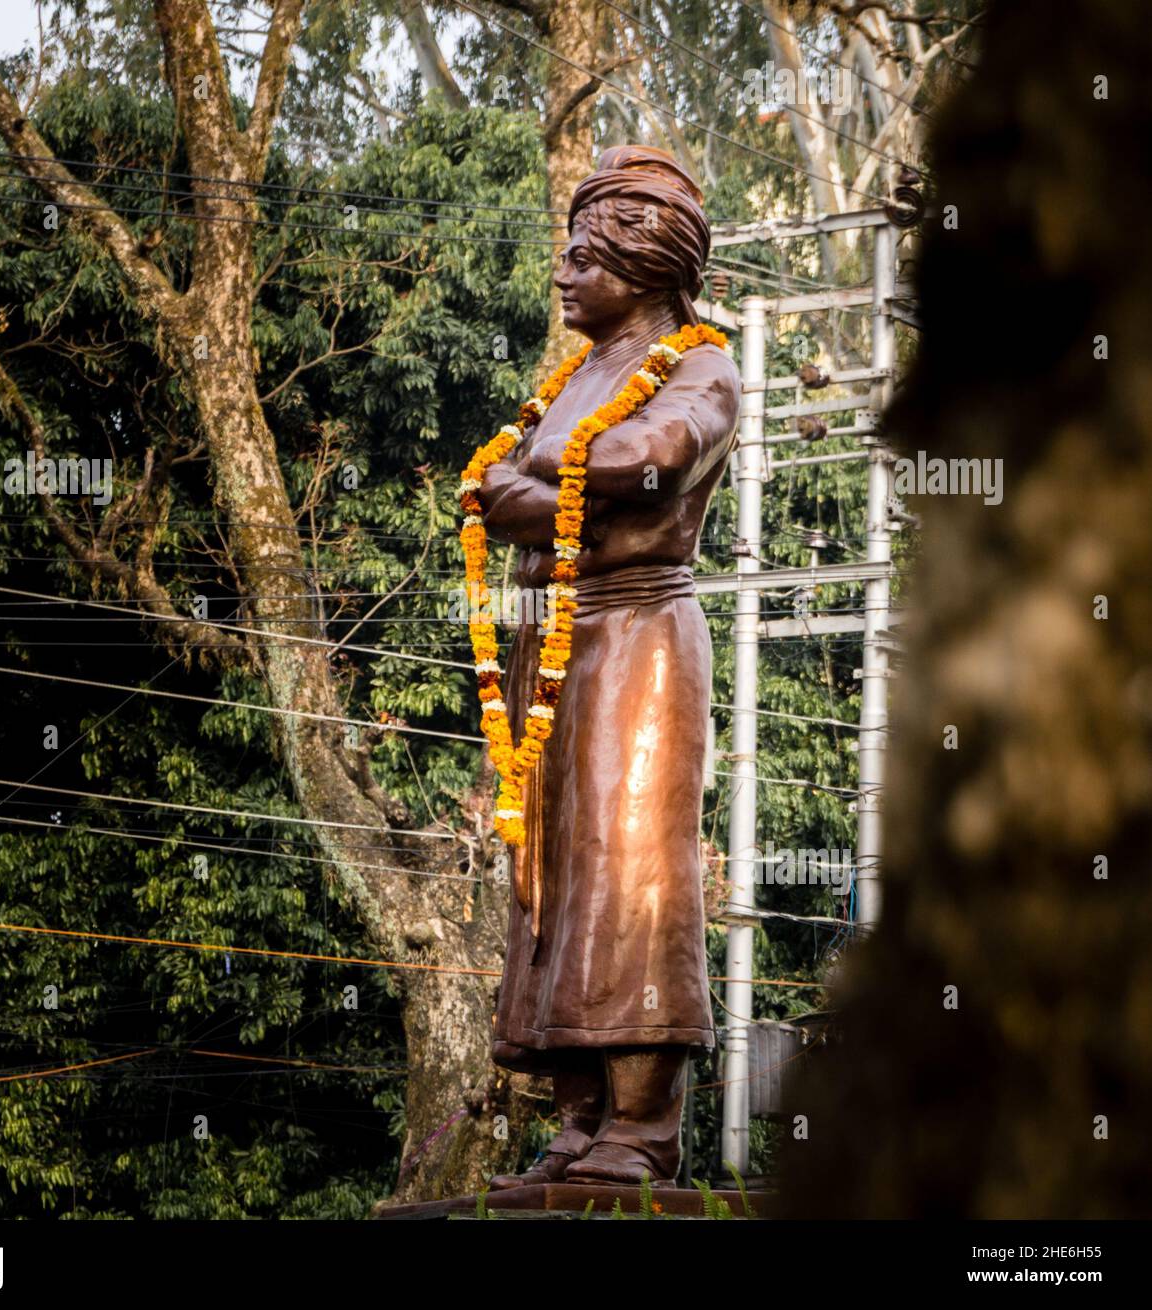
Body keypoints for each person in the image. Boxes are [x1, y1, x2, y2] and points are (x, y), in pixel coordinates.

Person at [476, 145, 740, 1188]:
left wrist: (537, 496)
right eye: (566, 252)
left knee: (631, 863)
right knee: (552, 870)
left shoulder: (696, 359)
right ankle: (577, 1119)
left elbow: (654, 457)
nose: (565, 271)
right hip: (554, 635)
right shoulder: (572, 378)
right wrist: (540, 494)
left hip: (640, 632)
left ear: (647, 259)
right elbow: (496, 482)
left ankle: (644, 1126)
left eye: (586, 254)